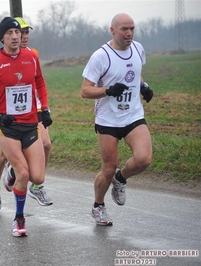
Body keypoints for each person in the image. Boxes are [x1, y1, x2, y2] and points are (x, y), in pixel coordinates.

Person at [80, 13, 153, 226]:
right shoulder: (101, 56)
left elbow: (136, 73)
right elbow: (85, 91)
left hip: (133, 115)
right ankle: (98, 206)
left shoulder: (138, 49)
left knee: (144, 159)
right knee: (108, 168)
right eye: (124, 29)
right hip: (108, 120)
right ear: (113, 30)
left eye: (132, 28)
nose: (129, 33)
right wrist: (108, 90)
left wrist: (143, 86)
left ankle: (121, 179)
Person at [0, 17, 52, 236]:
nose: (15, 36)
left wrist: (45, 108)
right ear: (2, 37)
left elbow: (39, 83)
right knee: (24, 172)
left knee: (37, 177)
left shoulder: (31, 57)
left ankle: (11, 174)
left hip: (30, 123)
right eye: (10, 32)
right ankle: (19, 220)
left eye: (17, 32)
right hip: (7, 127)